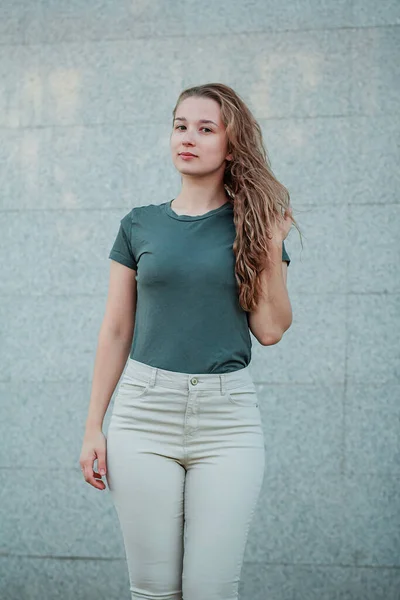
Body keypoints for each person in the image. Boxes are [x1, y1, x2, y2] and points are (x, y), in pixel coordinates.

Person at [79, 82, 301, 600]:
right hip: (143, 413)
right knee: (153, 590)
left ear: (231, 144)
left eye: (206, 128)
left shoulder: (254, 226)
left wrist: (271, 247)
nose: (189, 137)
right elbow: (115, 329)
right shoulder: (139, 225)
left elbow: (270, 330)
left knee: (211, 591)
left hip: (227, 423)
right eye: (181, 125)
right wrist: (94, 426)